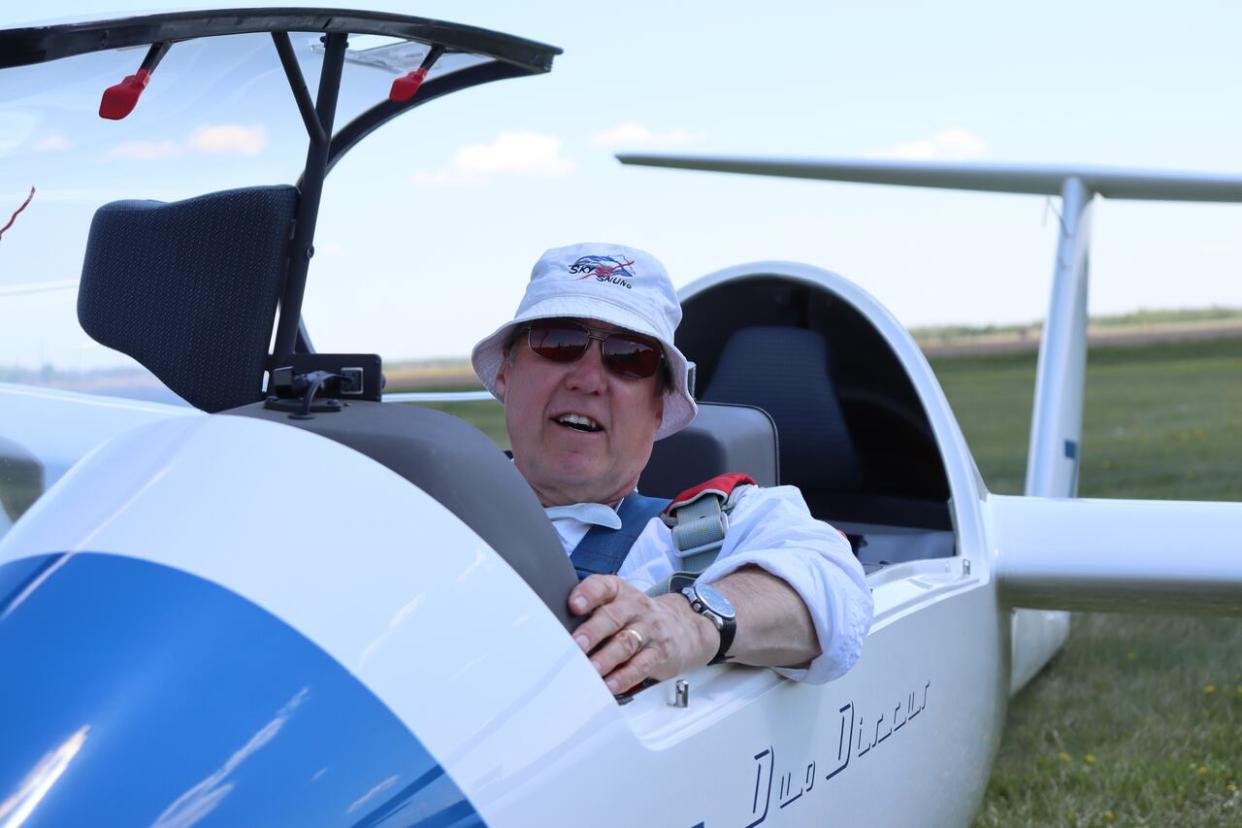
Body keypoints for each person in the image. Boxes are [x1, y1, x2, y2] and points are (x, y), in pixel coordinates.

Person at [471, 243, 872, 695]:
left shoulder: (705, 534)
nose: (587, 379)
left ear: (660, 406)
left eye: (629, 357)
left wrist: (687, 621)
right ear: (507, 371)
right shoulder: (425, 506)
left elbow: (836, 587)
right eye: (558, 343)